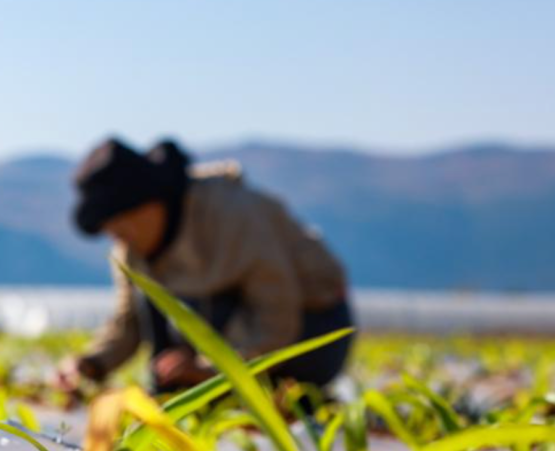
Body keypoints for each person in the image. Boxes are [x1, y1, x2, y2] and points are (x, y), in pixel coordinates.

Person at [56, 137, 353, 394]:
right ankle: (185, 387)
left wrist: (208, 370)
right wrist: (90, 364)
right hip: (225, 334)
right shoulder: (131, 248)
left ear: (150, 204)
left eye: (119, 219)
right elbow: (129, 321)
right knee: (150, 301)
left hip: (312, 331)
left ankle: (223, 390)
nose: (115, 234)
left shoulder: (232, 215)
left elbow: (276, 320)